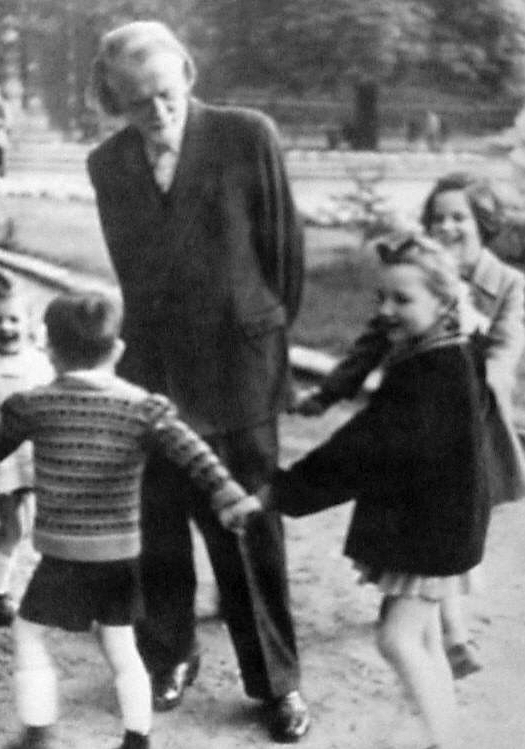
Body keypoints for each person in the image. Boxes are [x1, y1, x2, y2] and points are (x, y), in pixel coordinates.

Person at [87, 20, 309, 742]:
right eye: (136, 101)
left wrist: (260, 337)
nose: (156, 111)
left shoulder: (246, 134)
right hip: (153, 368)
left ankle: (274, 680)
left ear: (185, 71)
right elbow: (132, 272)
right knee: (157, 519)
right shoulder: (108, 163)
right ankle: (170, 652)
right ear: (114, 101)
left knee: (244, 522)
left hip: (237, 367)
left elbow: (284, 255)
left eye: (164, 92)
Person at [230, 235, 495, 749]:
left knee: (397, 639)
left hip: (434, 527)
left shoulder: (434, 372)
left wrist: (277, 493)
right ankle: (448, 737)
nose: (387, 311)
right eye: (382, 299)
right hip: (440, 520)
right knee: (421, 638)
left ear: (443, 302)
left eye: (403, 300)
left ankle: (447, 742)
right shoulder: (447, 351)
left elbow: (362, 449)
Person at [0, 291, 259, 749]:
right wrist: (228, 495)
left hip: (64, 553)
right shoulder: (143, 408)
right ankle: (137, 737)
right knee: (121, 645)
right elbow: (193, 452)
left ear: (48, 348)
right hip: (119, 554)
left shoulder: (35, 405)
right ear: (117, 350)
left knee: (29, 633)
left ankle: (36, 730)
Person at [296, 171, 525, 678]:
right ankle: (446, 633)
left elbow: (508, 348)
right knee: (430, 526)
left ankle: (451, 633)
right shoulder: (411, 273)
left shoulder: (506, 283)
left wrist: (470, 374)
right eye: (438, 216)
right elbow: (369, 345)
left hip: (475, 419)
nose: (447, 226)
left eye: (459, 217)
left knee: (455, 524)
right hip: (423, 420)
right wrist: (330, 393)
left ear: (482, 224)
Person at [0, 271, 53, 626]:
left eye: (13, 319)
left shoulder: (39, 359)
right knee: (13, 529)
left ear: (28, 322)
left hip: (31, 454)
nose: (5, 327)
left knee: (19, 527)